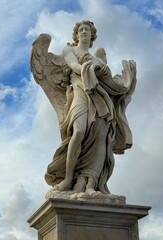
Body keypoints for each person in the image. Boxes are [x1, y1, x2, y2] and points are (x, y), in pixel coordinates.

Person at [44, 20, 135, 194]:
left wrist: (113, 74)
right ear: (76, 35)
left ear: (92, 35)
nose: (84, 32)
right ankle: (69, 179)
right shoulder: (70, 50)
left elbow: (109, 82)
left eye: (87, 30)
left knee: (100, 137)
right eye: (81, 30)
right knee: (78, 132)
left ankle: (90, 183)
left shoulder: (98, 57)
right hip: (80, 91)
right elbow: (74, 66)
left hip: (100, 99)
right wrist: (89, 68)